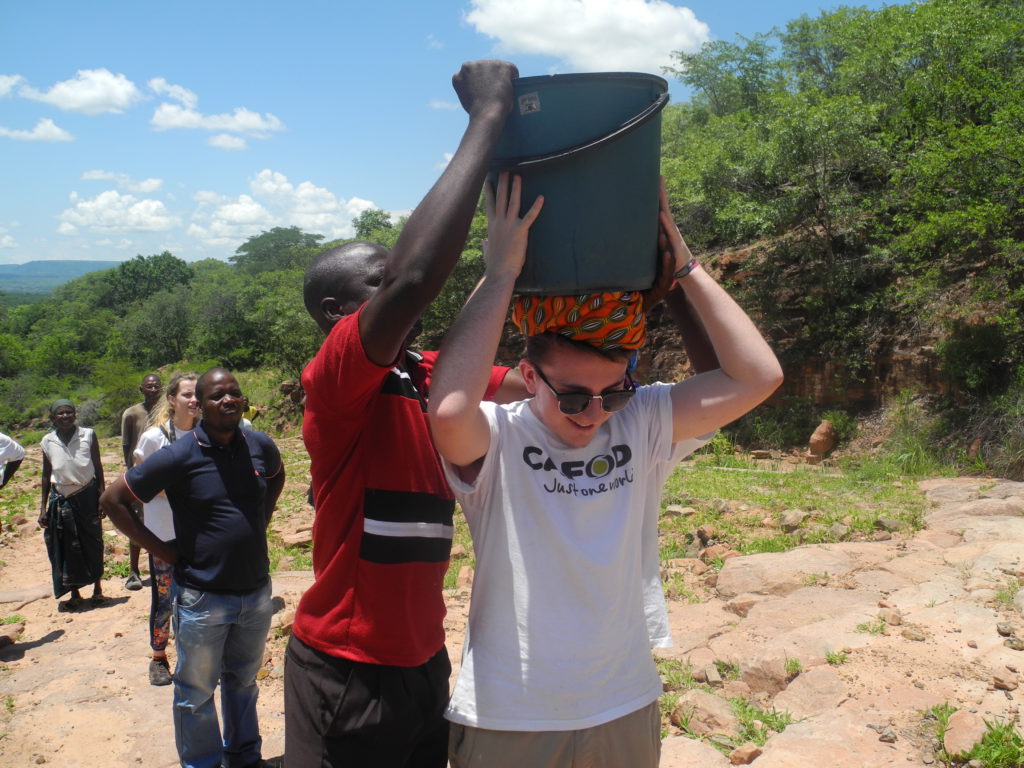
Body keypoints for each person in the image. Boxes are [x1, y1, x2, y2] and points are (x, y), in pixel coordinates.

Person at [427, 173, 784, 768]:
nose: (594, 413)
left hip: (623, 700)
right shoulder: (500, 435)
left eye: (612, 394)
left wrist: (685, 269)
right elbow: (450, 409)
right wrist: (500, 275)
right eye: (573, 397)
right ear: (531, 377)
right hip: (512, 711)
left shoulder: (641, 421)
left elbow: (759, 376)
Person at [284, 60, 528, 768]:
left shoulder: (423, 374)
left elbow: (538, 383)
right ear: (337, 315)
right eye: (377, 280)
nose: (398, 285)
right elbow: (418, 277)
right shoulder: (335, 381)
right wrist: (488, 116)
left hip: (425, 660)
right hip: (345, 667)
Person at [101, 368, 285, 768]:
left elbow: (276, 476)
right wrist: (162, 550)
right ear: (199, 405)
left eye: (235, 393)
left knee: (243, 683)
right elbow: (113, 500)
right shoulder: (178, 455)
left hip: (254, 593)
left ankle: (244, 758)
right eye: (218, 395)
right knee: (196, 692)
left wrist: (260, 521)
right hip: (203, 596)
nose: (229, 400)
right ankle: (202, 763)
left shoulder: (258, 444)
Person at [132, 372, 200, 687]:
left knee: (200, 596)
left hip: (201, 532)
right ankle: (158, 657)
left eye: (197, 394)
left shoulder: (207, 435)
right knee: (163, 596)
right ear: (171, 400)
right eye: (186, 394)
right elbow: (137, 480)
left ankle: (196, 658)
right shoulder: (154, 438)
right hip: (163, 533)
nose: (194, 400)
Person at [39, 399, 106, 612]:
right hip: (62, 496)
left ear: (75, 415)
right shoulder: (47, 441)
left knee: (93, 542)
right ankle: (75, 593)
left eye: (69, 412)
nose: (65, 416)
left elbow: (98, 467)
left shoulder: (88, 435)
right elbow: (46, 474)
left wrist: (102, 497)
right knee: (67, 546)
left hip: (87, 495)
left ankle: (97, 590)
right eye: (60, 413)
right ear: (53, 418)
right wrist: (42, 507)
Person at [120, 372, 163, 590]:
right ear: (142, 389)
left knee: (163, 523)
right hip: (140, 477)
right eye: (149, 386)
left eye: (157, 386)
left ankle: (159, 568)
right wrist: (132, 475)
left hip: (165, 477)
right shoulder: (132, 414)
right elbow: (127, 446)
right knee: (137, 523)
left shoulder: (167, 412)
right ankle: (134, 571)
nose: (153, 390)